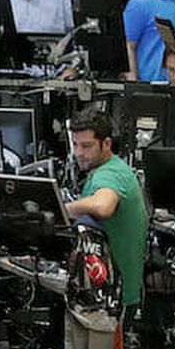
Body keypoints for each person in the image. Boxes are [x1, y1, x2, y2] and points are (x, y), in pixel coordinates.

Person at [63, 108, 148, 312]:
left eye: (87, 146)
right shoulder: (115, 168)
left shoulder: (108, 175)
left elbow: (103, 206)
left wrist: (63, 209)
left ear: (106, 143)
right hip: (119, 292)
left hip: (113, 301)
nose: (79, 153)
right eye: (75, 145)